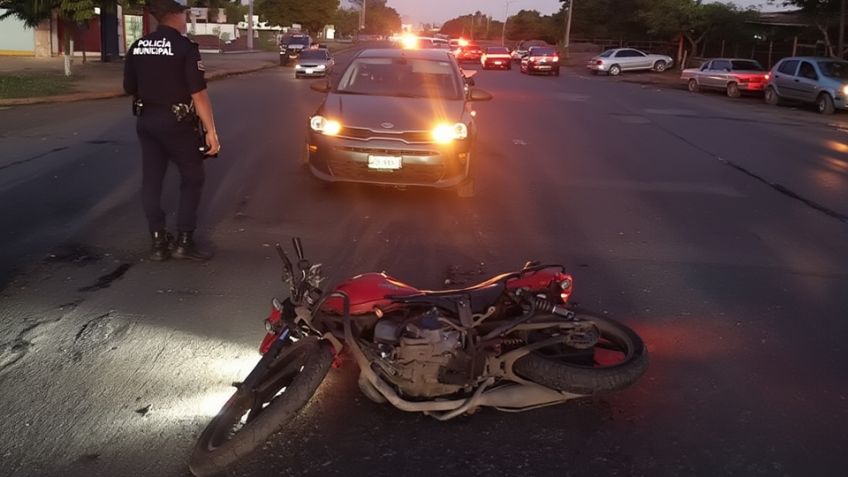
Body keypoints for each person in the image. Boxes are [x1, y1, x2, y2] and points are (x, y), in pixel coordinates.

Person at [123, 0, 221, 262]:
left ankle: (157, 242)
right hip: (177, 124)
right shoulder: (184, 47)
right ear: (175, 15)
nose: (186, 20)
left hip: (146, 121)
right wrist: (211, 131)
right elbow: (198, 94)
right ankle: (184, 242)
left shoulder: (138, 46)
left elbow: (129, 86)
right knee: (192, 178)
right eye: (184, 15)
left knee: (152, 180)